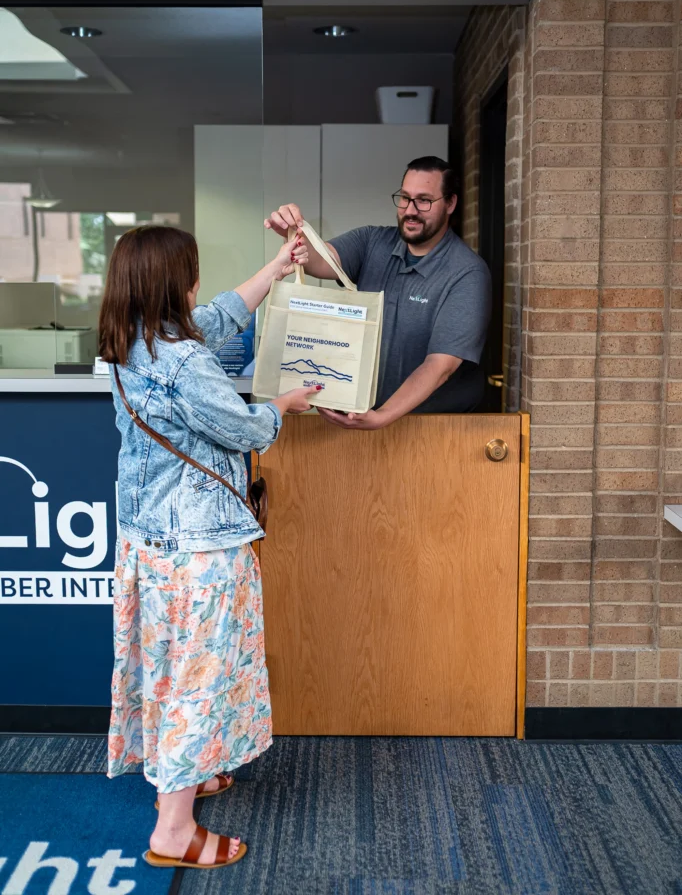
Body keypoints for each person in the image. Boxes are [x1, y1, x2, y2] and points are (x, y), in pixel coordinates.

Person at [99, 225, 317, 870]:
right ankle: (174, 831)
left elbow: (215, 321)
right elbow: (241, 426)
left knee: (168, 669)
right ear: (176, 284)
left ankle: (185, 773)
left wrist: (276, 268)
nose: (200, 284)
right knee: (199, 678)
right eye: (192, 272)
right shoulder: (185, 361)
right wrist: (286, 403)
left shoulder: (128, 343)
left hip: (150, 542)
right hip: (197, 550)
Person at [264, 155, 492, 429]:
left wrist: (384, 415)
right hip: (365, 420)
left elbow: (440, 365)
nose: (410, 210)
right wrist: (293, 234)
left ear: (451, 203)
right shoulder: (373, 241)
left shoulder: (467, 273)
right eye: (405, 198)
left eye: (424, 200)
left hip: (434, 433)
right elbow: (321, 259)